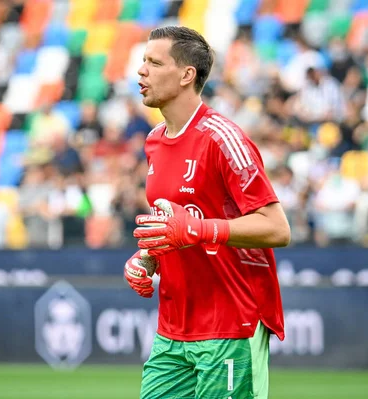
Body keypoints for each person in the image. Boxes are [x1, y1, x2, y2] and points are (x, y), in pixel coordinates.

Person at [123, 26, 290, 399]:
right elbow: (176, 226)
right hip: (173, 329)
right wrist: (149, 256)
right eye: (142, 61)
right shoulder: (153, 142)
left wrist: (200, 230)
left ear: (187, 75)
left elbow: (277, 228)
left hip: (230, 323)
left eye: (154, 62)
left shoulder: (222, 138)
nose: (141, 71)